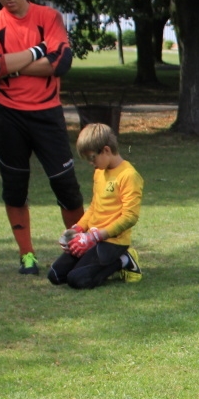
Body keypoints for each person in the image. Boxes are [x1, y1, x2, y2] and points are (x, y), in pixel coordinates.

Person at [0, 0, 83, 276]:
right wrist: (38, 53)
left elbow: (60, 62)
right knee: (14, 188)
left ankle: (82, 249)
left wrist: (13, 65)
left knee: (66, 185)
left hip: (47, 113)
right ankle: (27, 256)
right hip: (7, 115)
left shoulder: (49, 17)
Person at [47, 123, 142, 289]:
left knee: (77, 280)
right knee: (55, 275)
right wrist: (78, 229)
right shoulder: (100, 172)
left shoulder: (129, 175)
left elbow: (130, 217)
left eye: (92, 157)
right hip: (92, 238)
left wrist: (96, 237)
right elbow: (94, 207)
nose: (91, 163)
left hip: (113, 241)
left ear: (106, 150)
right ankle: (98, 261)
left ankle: (124, 259)